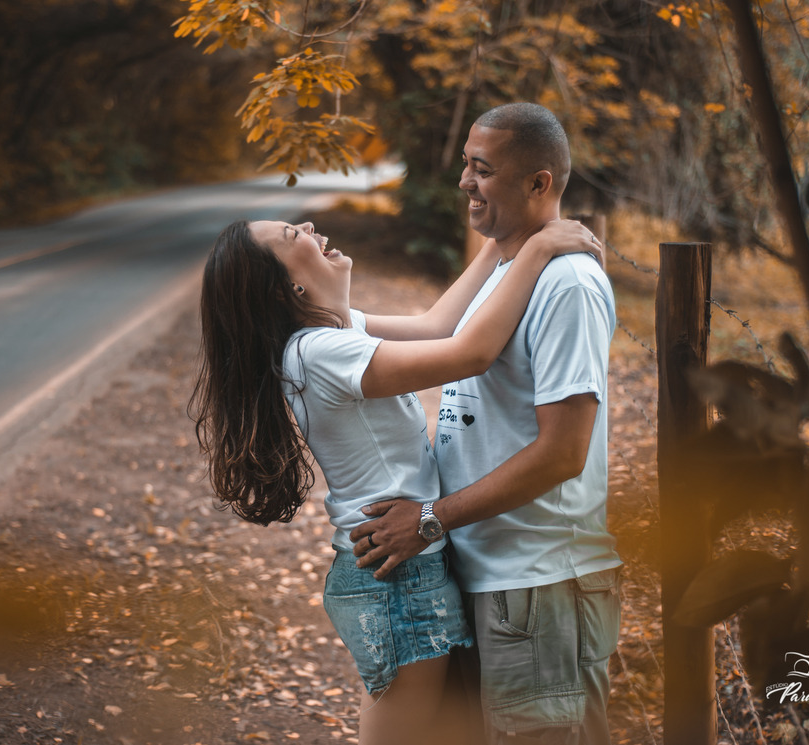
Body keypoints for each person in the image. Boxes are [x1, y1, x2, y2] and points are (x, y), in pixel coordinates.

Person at [191, 212, 601, 745]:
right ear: (286, 287)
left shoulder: (334, 333)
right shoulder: (319, 353)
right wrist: (538, 249)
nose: (311, 225)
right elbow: (470, 353)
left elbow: (439, 326)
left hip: (399, 570)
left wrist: (503, 242)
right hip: (395, 579)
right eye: (293, 235)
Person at [349, 103, 621, 745]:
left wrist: (430, 519)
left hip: (541, 584)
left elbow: (563, 454)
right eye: (466, 166)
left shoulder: (568, 286)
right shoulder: (505, 266)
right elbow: (431, 331)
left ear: (539, 184)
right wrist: (312, 319)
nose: (465, 183)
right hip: (482, 575)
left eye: (482, 169)